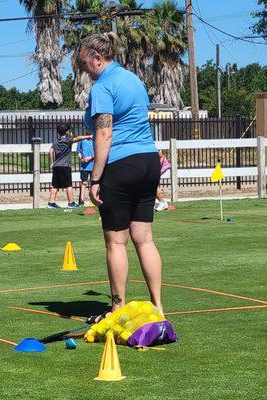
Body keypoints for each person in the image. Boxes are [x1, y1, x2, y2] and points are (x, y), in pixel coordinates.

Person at [78, 33, 164, 315]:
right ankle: (158, 307)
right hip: (149, 161)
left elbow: (104, 132)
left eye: (85, 64)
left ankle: (117, 309)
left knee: (116, 241)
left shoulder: (103, 86)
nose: (85, 71)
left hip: (121, 164)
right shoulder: (133, 79)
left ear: (97, 59)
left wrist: (96, 178)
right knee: (145, 238)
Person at [47, 124, 92, 209]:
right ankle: (71, 203)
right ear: (67, 132)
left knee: (55, 185)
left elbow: (51, 151)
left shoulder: (56, 141)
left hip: (56, 166)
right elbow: (78, 138)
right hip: (65, 166)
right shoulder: (67, 140)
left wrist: (52, 162)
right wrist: (88, 136)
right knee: (68, 185)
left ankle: (51, 203)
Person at [76, 136, 94, 206]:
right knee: (84, 183)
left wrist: (90, 157)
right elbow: (78, 152)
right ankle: (81, 201)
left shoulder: (95, 138)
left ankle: (93, 201)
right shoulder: (81, 140)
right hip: (84, 167)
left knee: (94, 184)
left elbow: (99, 151)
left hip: (94, 166)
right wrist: (82, 159)